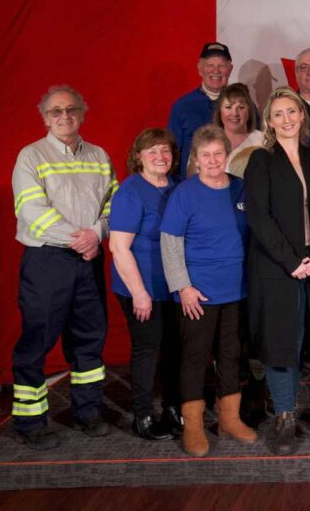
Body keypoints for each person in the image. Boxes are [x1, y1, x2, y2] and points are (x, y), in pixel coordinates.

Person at [10, 85, 115, 450]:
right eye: (56, 111)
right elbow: (32, 211)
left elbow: (112, 205)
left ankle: (87, 412)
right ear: (45, 117)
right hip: (48, 260)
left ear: (82, 113)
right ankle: (29, 421)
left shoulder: (99, 155)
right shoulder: (30, 156)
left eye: (71, 109)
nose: (64, 116)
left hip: (88, 261)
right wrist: (83, 239)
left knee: (89, 339)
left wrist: (98, 233)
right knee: (37, 340)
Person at [161, 124, 258, 456]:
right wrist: (183, 287)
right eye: (206, 155)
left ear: (226, 155)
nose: (214, 160)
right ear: (196, 159)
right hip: (197, 294)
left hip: (237, 290)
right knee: (195, 358)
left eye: (219, 153)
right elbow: (170, 243)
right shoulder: (184, 194)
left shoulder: (240, 188)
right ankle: (194, 427)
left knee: (232, 355)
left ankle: (229, 418)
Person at [245, 87, 310, 455]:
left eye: (291, 112)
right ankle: (283, 417)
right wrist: (291, 260)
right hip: (276, 268)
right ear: (269, 121)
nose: (286, 119)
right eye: (277, 114)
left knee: (300, 346)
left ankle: (293, 414)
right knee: (281, 345)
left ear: (302, 116)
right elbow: (258, 218)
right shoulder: (260, 161)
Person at [109, 128, 182, 441]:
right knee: (147, 350)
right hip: (141, 287)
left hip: (173, 286)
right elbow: (118, 247)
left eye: (165, 150)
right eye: (152, 151)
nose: (160, 157)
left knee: (174, 350)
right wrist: (140, 294)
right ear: (138, 156)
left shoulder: (177, 188)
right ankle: (142, 416)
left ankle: (172, 409)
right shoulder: (130, 191)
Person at [169, 42, 234, 179]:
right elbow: (172, 154)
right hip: (192, 190)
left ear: (230, 69)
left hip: (234, 190)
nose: (216, 71)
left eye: (221, 66)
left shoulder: (244, 107)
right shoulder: (183, 106)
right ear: (200, 69)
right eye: (210, 65)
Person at [212, 83, 264, 178]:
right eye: (228, 107)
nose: (234, 113)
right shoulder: (207, 142)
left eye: (241, 107)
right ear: (219, 112)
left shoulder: (264, 141)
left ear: (249, 112)